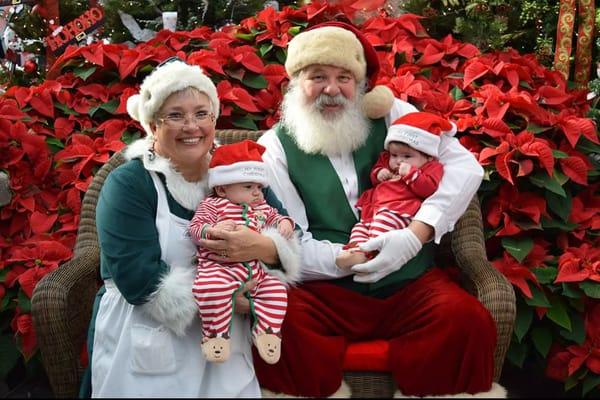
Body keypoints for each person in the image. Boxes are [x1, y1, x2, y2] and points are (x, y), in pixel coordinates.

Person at [249, 21, 505, 397]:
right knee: (278, 321)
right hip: (326, 291)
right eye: (317, 76)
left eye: (344, 77)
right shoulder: (274, 146)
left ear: (361, 84)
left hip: (408, 281)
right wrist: (343, 260)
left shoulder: (393, 115)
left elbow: (465, 167)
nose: (332, 89)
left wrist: (416, 234)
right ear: (295, 83)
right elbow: (289, 235)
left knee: (466, 321)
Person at [82, 58, 301, 397]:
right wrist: (230, 297)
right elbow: (138, 279)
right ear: (152, 125)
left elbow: (288, 235)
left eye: (202, 114)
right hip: (148, 334)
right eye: (175, 115)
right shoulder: (129, 184)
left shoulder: (239, 172)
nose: (191, 126)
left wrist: (260, 250)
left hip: (224, 340)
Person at [189, 140, 298, 365]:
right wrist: (212, 229)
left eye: (259, 187)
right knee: (210, 290)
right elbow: (195, 228)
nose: (257, 193)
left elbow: (276, 217)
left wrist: (285, 222)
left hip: (256, 271)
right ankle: (215, 336)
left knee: (277, 291)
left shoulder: (262, 208)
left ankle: (267, 332)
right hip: (220, 268)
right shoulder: (213, 206)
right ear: (222, 188)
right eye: (248, 187)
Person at [336, 112, 451, 269]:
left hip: (400, 210)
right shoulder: (387, 161)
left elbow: (429, 188)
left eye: (407, 156)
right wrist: (379, 173)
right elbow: (375, 172)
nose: (399, 160)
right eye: (394, 155)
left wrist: (411, 173)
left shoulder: (432, 167)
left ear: (428, 156)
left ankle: (375, 253)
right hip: (374, 209)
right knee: (361, 227)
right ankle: (356, 251)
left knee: (383, 223)